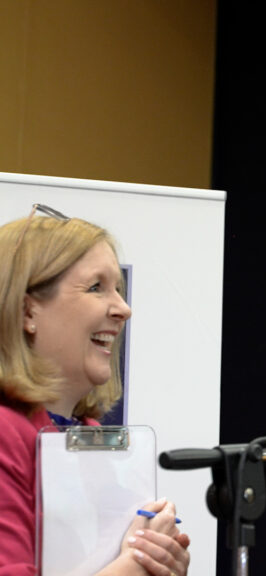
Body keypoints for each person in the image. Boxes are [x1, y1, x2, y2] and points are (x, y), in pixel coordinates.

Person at [0, 204, 190, 575]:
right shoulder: (6, 433)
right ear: (27, 312)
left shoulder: (88, 435)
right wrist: (136, 565)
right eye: (96, 287)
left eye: (117, 289)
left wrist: (160, 561)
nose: (123, 308)